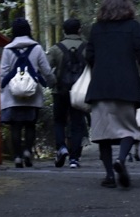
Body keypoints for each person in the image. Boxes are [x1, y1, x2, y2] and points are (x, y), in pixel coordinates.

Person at [85, 0, 140, 189]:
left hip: (101, 86)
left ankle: (109, 176)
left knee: (103, 133)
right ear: (127, 7)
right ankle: (121, 160)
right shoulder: (133, 27)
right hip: (126, 85)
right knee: (129, 129)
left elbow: (89, 56)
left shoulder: (96, 29)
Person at [0, 17, 56, 168]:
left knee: (16, 126)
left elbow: (3, 72)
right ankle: (27, 152)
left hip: (12, 95)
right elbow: (46, 70)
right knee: (30, 124)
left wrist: (3, 88)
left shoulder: (7, 49)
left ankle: (17, 157)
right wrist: (51, 82)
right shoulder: (36, 48)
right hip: (32, 93)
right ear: (28, 31)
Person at [47, 17, 88, 168]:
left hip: (60, 91)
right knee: (77, 123)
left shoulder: (56, 48)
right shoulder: (86, 47)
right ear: (79, 30)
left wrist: (52, 82)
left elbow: (45, 67)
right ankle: (74, 159)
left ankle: (61, 147)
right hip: (80, 93)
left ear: (64, 31)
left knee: (59, 121)